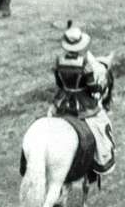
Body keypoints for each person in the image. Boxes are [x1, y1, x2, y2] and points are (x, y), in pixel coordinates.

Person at [49, 24, 114, 174]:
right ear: (80, 46)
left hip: (62, 102)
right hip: (82, 104)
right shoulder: (84, 64)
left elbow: (59, 83)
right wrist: (97, 91)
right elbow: (92, 86)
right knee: (101, 122)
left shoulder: (58, 61)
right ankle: (102, 159)